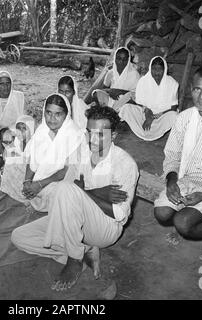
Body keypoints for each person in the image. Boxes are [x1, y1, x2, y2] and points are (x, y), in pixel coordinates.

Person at [11, 105, 139, 291]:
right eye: (89, 132)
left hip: (105, 227)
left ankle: (74, 260)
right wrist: (100, 192)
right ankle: (85, 249)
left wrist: (84, 192)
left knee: (65, 190)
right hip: (78, 218)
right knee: (20, 237)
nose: (93, 140)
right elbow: (71, 187)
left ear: (114, 136)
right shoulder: (83, 152)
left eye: (101, 134)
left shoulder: (124, 164)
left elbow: (118, 213)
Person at [154, 66, 202, 260]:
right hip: (189, 179)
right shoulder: (184, 118)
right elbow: (172, 154)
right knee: (162, 212)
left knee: (183, 223)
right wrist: (171, 181)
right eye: (197, 89)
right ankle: (193, 212)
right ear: (191, 90)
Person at [20, 93, 84, 211]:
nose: (52, 119)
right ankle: (32, 193)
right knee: (12, 166)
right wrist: (27, 181)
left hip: (60, 179)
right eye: (48, 113)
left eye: (58, 114)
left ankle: (40, 200)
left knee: (61, 191)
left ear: (66, 114)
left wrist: (39, 184)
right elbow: (32, 157)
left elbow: (66, 170)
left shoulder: (74, 135)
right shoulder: (43, 129)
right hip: (39, 177)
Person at [119, 56, 179, 141]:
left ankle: (160, 133)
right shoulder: (143, 81)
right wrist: (148, 113)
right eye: (154, 69)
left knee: (174, 115)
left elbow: (173, 107)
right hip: (144, 114)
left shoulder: (172, 83)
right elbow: (139, 103)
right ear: (150, 68)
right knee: (126, 108)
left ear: (165, 69)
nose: (157, 72)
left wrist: (156, 116)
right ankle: (138, 130)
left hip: (162, 117)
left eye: (160, 69)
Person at [0, 70, 25, 159]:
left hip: (19, 129)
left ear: (11, 84)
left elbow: (24, 118)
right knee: (8, 136)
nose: (5, 87)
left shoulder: (18, 97)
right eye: (2, 84)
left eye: (8, 83)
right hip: (3, 132)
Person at [92, 47, 140, 112]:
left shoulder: (134, 74)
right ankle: (112, 111)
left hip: (126, 102)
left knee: (128, 103)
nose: (121, 62)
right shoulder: (110, 73)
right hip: (112, 100)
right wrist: (111, 91)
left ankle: (112, 112)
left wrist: (119, 92)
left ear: (128, 60)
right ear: (115, 59)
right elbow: (103, 89)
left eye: (124, 59)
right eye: (119, 59)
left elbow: (137, 95)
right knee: (96, 93)